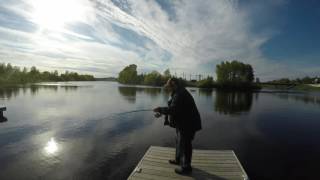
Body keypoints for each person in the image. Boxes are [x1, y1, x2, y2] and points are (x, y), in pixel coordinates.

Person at [153, 77, 202, 175]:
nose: (168, 88)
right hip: (183, 123)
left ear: (174, 84)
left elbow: (173, 109)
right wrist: (162, 112)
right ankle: (178, 160)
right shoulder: (177, 92)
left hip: (189, 124)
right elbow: (173, 108)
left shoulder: (180, 94)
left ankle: (186, 167)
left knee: (185, 144)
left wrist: (160, 109)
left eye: (169, 86)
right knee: (179, 141)